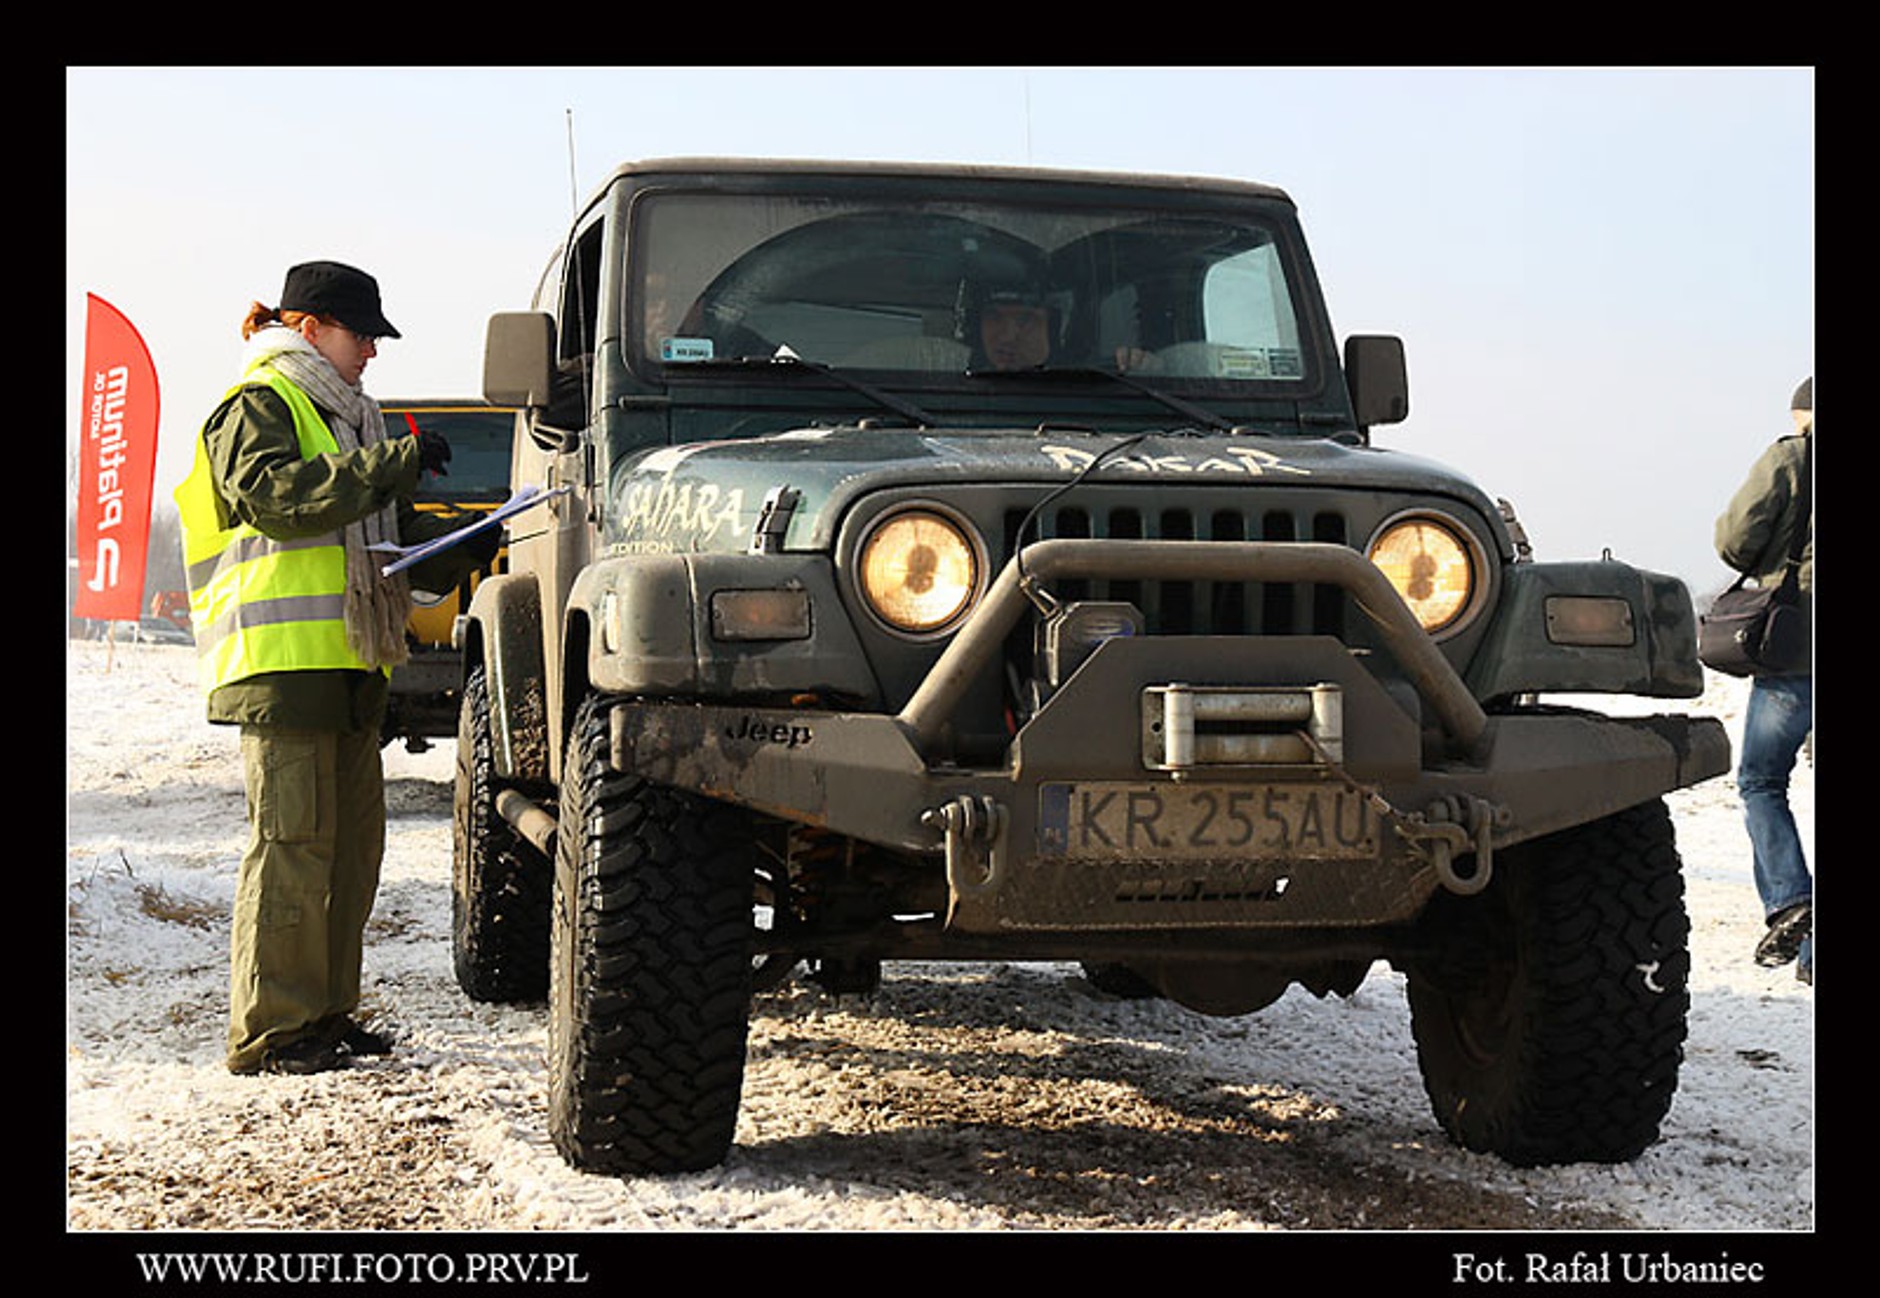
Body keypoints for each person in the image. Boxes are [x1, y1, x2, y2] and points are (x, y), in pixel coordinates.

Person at [175, 261, 499, 1074]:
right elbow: (283, 500)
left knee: (351, 855)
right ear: (311, 328)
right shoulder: (256, 405)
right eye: (364, 336)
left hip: (353, 667)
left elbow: (383, 546)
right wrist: (393, 465)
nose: (373, 354)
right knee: (292, 849)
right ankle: (271, 1031)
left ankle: (324, 1016)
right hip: (280, 670)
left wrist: (459, 547)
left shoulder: (356, 419)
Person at [1715, 377, 1814, 985]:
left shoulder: (1790, 457)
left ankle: (1790, 900)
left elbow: (1733, 541)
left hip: (1798, 643)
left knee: (1760, 780)